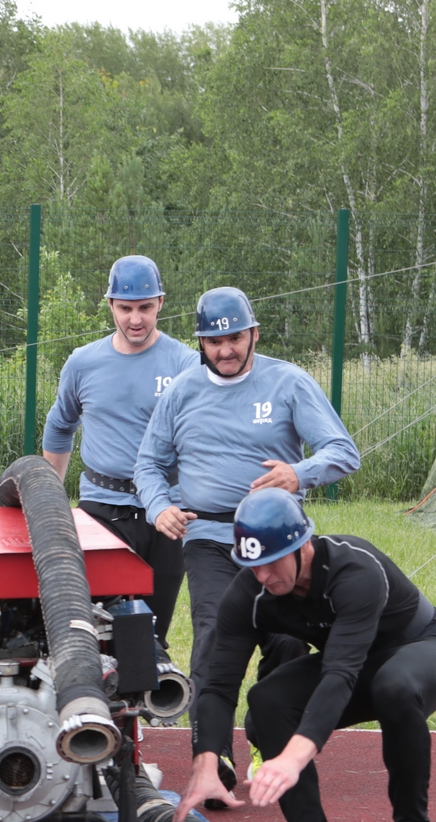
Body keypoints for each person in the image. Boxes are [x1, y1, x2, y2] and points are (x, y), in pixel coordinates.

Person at [174, 489, 436, 822]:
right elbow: (219, 686)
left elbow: (339, 674)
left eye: (270, 563)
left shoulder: (355, 569)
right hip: (351, 666)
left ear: (302, 546)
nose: (262, 577)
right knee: (269, 700)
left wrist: (293, 757)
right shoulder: (250, 593)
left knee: (394, 687)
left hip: (419, 652)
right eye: (251, 565)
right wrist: (205, 762)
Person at [133, 286, 360, 796]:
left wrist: (298, 475)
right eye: (214, 342)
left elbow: (344, 451)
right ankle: (212, 762)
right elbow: (149, 463)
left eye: (235, 338)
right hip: (210, 537)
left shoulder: (289, 382)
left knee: (284, 643)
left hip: (281, 541)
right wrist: (159, 506)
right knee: (214, 639)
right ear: (200, 344)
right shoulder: (182, 391)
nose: (226, 350)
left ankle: (270, 742)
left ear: (254, 333)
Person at [40, 255, 196, 645]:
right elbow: (60, 426)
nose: (135, 319)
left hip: (166, 513)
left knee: (151, 632)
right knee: (98, 627)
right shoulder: (83, 363)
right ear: (110, 305)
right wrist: (50, 497)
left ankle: (153, 696)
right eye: (125, 308)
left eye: (145, 307)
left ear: (161, 302)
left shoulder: (186, 364)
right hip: (102, 510)